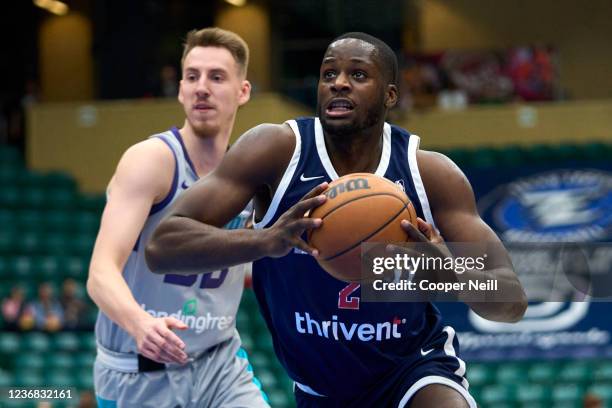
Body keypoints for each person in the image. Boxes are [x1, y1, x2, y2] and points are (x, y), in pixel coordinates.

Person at [146, 32, 527, 407]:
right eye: (329, 74)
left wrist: (448, 274)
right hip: (320, 389)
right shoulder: (276, 152)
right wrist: (267, 241)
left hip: (412, 370)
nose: (339, 83)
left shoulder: (429, 175)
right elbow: (161, 245)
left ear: (390, 95)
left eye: (358, 75)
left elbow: (511, 300)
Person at [87, 27, 269, 407]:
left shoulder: (254, 173)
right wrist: (141, 324)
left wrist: (413, 269)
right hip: (138, 373)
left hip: (220, 367)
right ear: (182, 90)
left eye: (216, 77)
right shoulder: (151, 161)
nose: (202, 87)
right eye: (192, 76)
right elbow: (100, 273)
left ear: (243, 91)